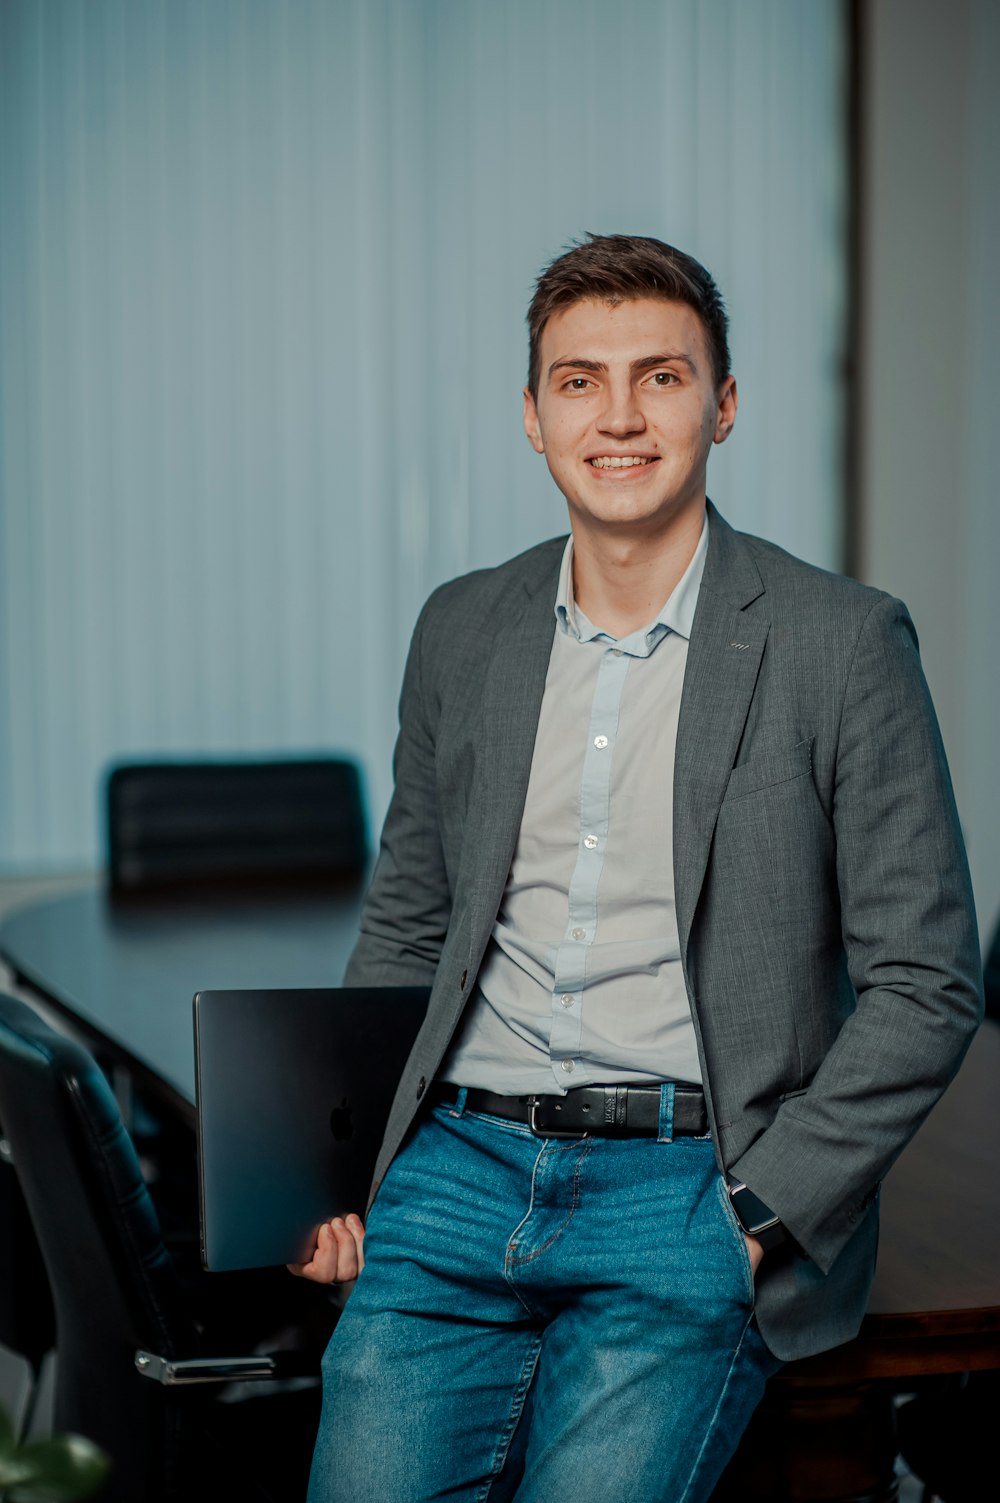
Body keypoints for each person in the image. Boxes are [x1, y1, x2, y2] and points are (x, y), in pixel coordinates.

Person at [295, 234, 983, 1501]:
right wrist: (341, 1171)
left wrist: (762, 1216)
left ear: (721, 404)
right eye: (578, 381)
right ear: (530, 415)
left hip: (690, 1190)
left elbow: (926, 982)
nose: (618, 417)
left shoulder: (842, 644)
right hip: (452, 1173)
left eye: (659, 377)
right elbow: (407, 922)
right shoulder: (463, 626)